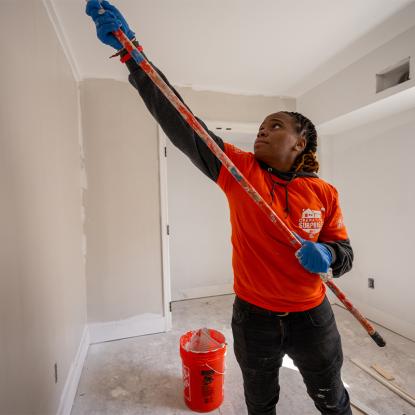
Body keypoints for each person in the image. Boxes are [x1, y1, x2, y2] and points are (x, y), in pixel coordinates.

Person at [86, 2, 354, 414]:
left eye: (276, 126)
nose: (263, 131)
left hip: (313, 319)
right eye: (262, 126)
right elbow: (183, 120)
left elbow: (345, 255)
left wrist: (330, 254)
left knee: (331, 399)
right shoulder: (238, 169)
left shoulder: (326, 192)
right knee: (260, 402)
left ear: (301, 144)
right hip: (254, 320)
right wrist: (133, 56)